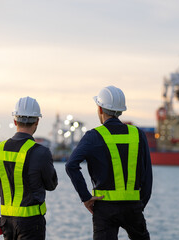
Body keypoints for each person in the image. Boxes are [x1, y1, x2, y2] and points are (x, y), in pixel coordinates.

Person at [65, 86, 152, 240]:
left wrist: (86, 197)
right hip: (133, 206)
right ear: (121, 110)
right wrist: (139, 204)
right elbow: (147, 176)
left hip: (104, 208)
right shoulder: (138, 134)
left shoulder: (93, 136)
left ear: (100, 108)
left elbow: (71, 165)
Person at [0, 96, 58, 240]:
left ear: (15, 121)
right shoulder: (41, 152)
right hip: (31, 223)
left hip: (6, 222)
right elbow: (51, 185)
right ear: (37, 121)